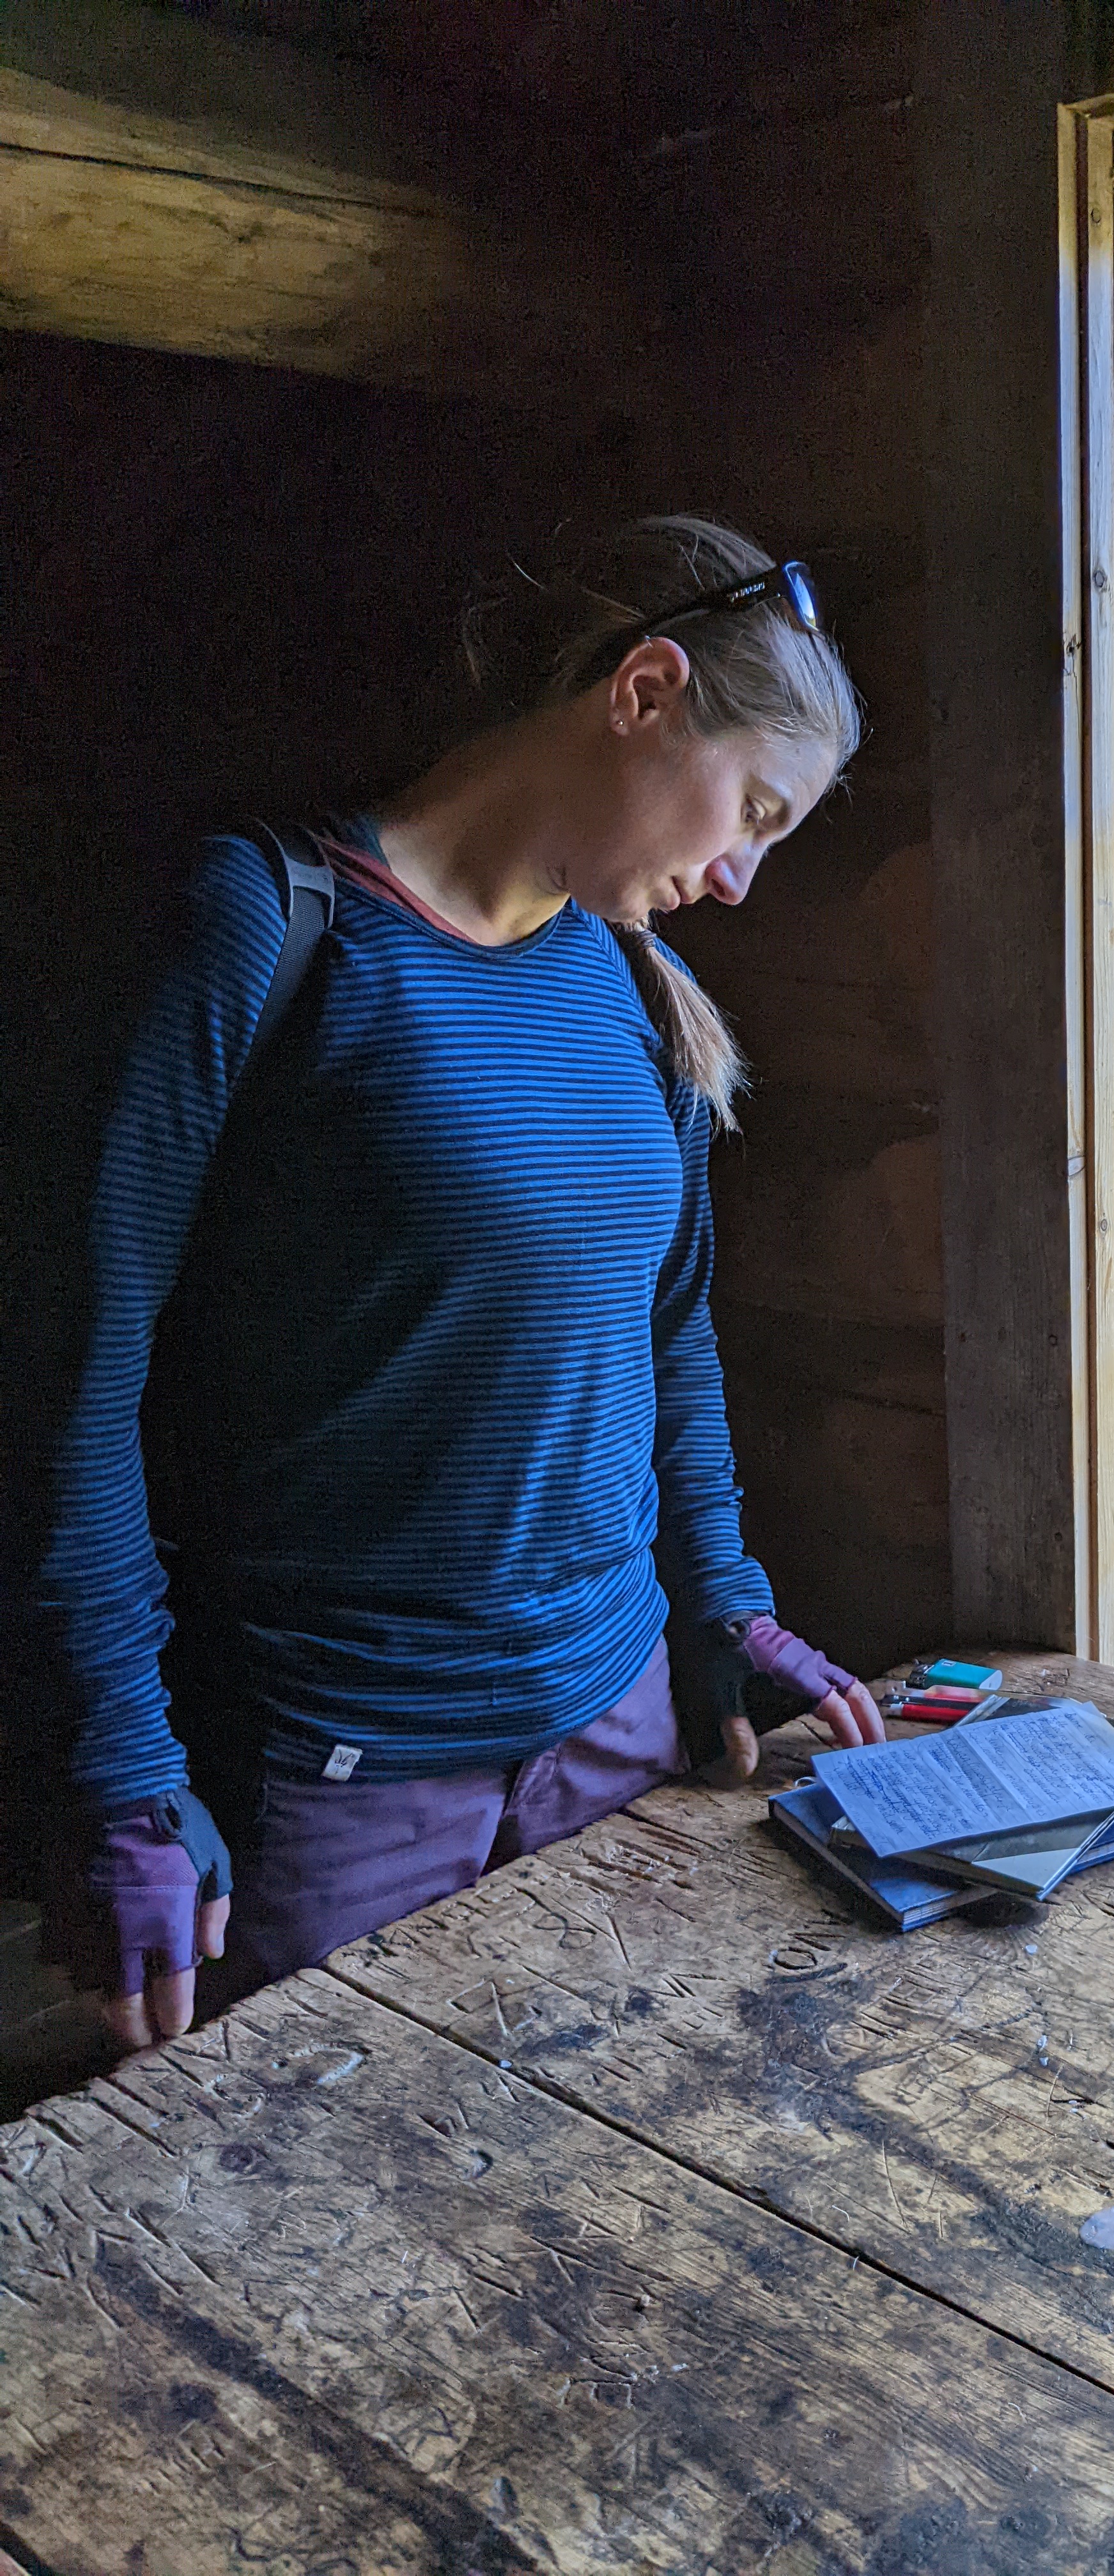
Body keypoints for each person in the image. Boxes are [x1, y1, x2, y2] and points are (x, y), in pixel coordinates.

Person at [29, 515, 886, 2057]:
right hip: (339, 1787)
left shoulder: (643, 994)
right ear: (643, 691)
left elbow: (666, 1340)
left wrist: (728, 1610)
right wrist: (126, 1779)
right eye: (751, 809)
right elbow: (80, 1383)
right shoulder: (269, 927)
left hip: (619, 1740)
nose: (744, 878)